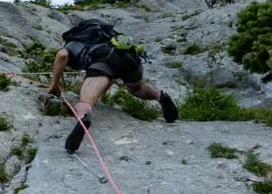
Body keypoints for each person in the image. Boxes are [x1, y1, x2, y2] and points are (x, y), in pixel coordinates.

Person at [47, 18, 179, 153]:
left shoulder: (76, 41)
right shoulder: (110, 37)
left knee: (86, 101)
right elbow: (112, 76)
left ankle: (83, 119)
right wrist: (99, 94)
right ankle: (160, 96)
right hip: (130, 58)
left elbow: (62, 55)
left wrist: (55, 86)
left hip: (103, 60)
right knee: (136, 87)